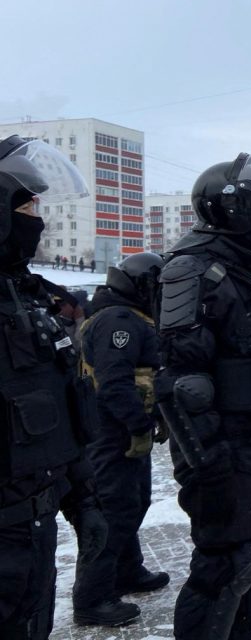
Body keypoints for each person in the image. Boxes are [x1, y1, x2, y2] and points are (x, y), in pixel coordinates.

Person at [154, 151, 251, 640]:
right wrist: (213, 463)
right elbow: (181, 382)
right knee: (225, 568)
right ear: (235, 209)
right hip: (225, 454)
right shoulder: (193, 271)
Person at [0, 135, 108, 639]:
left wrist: (81, 498)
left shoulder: (29, 302)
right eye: (26, 205)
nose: (36, 219)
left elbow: (60, 415)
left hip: (34, 530)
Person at [73, 252, 169, 626]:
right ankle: (93, 599)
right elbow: (114, 383)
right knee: (113, 510)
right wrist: (138, 423)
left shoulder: (126, 315)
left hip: (122, 430)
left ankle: (127, 571)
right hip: (113, 433)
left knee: (133, 502)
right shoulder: (119, 320)